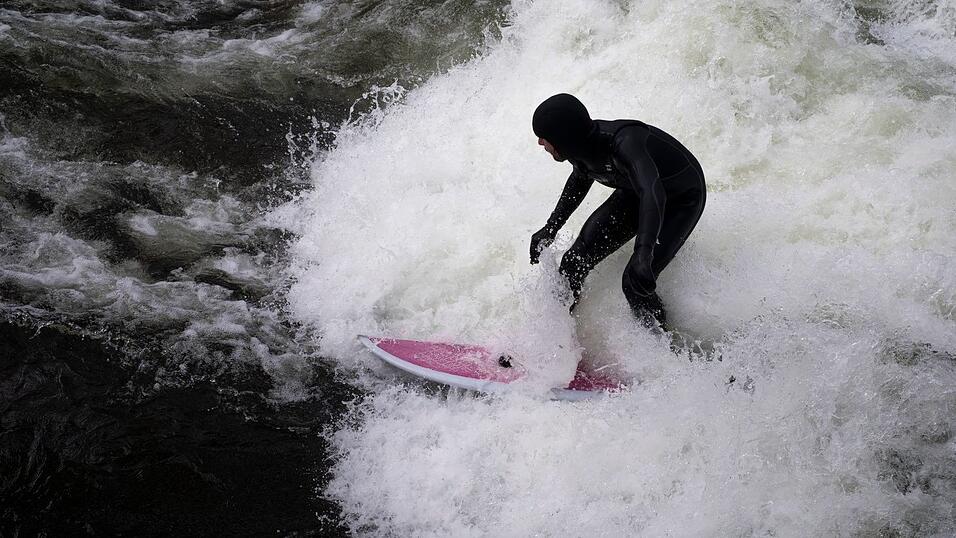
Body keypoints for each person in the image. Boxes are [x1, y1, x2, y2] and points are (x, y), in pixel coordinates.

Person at [530, 93, 706, 328]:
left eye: (544, 137)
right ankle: (554, 333)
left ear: (564, 138)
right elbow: (580, 179)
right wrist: (550, 228)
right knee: (574, 262)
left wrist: (644, 252)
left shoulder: (625, 143)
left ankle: (665, 346)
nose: (541, 143)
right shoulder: (579, 149)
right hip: (636, 192)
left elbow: (653, 194)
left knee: (634, 281)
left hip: (680, 199)